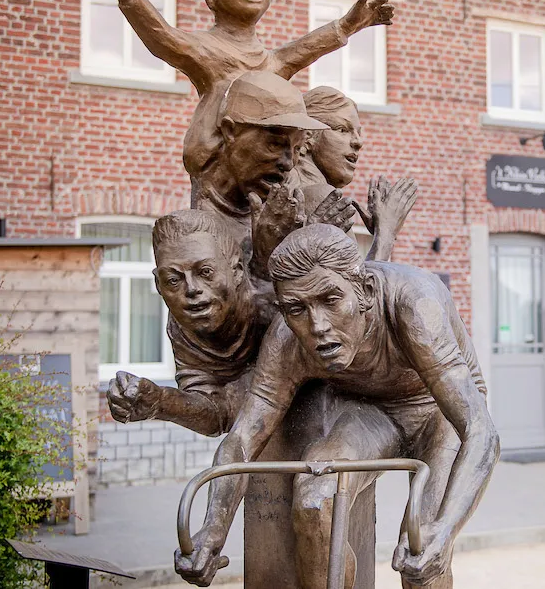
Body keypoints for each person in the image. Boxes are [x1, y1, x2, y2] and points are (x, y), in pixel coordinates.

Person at [174, 225, 499, 589]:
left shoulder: (414, 305)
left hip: (440, 410)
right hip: (370, 411)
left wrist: (446, 528)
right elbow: (243, 437)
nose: (318, 326)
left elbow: (480, 431)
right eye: (297, 308)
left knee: (421, 545)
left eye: (330, 300)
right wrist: (213, 529)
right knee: (315, 502)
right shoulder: (287, 338)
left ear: (365, 291)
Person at [92, 0, 394, 209]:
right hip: (218, 183)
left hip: (266, 180)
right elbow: (164, 38)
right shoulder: (206, 50)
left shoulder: (270, 62)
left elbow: (305, 49)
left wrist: (348, 24)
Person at [107, 209, 269, 437]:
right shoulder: (184, 327)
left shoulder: (277, 301)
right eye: (173, 280)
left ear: (237, 271)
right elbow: (216, 416)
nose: (192, 289)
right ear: (158, 285)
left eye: (205, 272)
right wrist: (162, 402)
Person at [302, 86, 418, 261]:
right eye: (342, 129)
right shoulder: (319, 196)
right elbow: (359, 280)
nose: (358, 142)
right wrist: (386, 233)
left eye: (358, 133)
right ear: (308, 136)